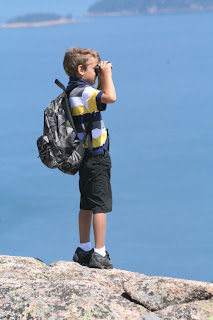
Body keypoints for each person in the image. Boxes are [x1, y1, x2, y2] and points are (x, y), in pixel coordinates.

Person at [63, 47, 116, 269]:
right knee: (100, 205)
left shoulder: (73, 91)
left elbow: (99, 99)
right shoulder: (84, 93)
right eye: (94, 68)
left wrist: (100, 77)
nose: (97, 71)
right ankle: (100, 252)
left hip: (84, 158)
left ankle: (84, 249)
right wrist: (108, 76)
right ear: (81, 69)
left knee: (86, 204)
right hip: (96, 157)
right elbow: (111, 97)